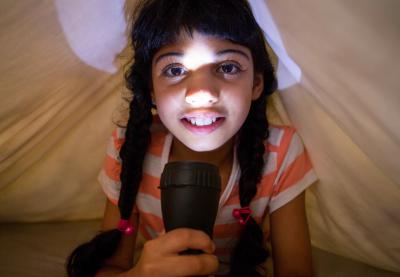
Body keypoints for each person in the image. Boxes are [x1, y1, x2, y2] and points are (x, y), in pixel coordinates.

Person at [67, 0, 318, 276]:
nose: (201, 92)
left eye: (227, 67)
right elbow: (112, 266)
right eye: (175, 70)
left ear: (256, 83)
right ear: (151, 91)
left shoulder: (281, 152)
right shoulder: (127, 149)